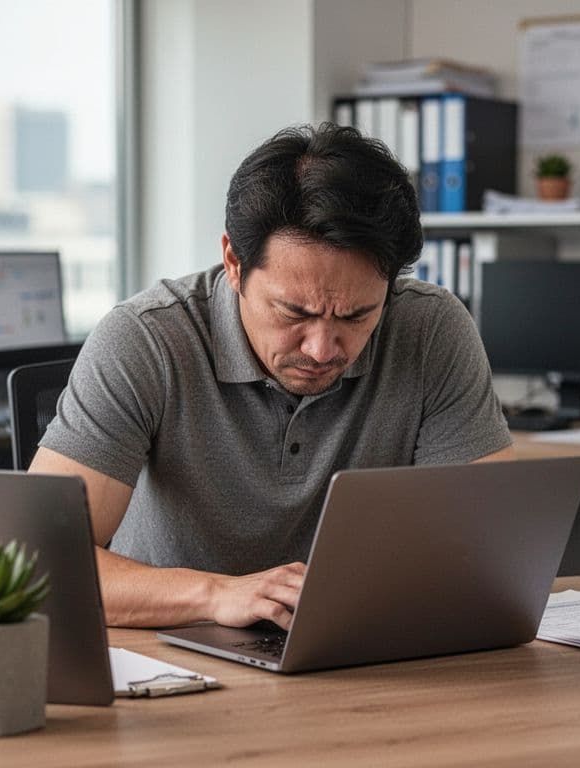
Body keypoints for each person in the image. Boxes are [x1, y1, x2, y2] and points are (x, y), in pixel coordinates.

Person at [31, 124, 515, 630]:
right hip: (176, 653)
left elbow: (497, 547)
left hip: (359, 653)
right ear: (234, 263)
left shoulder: (431, 328)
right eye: (292, 312)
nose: (322, 349)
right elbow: (40, 562)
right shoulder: (145, 340)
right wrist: (217, 595)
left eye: (356, 317)